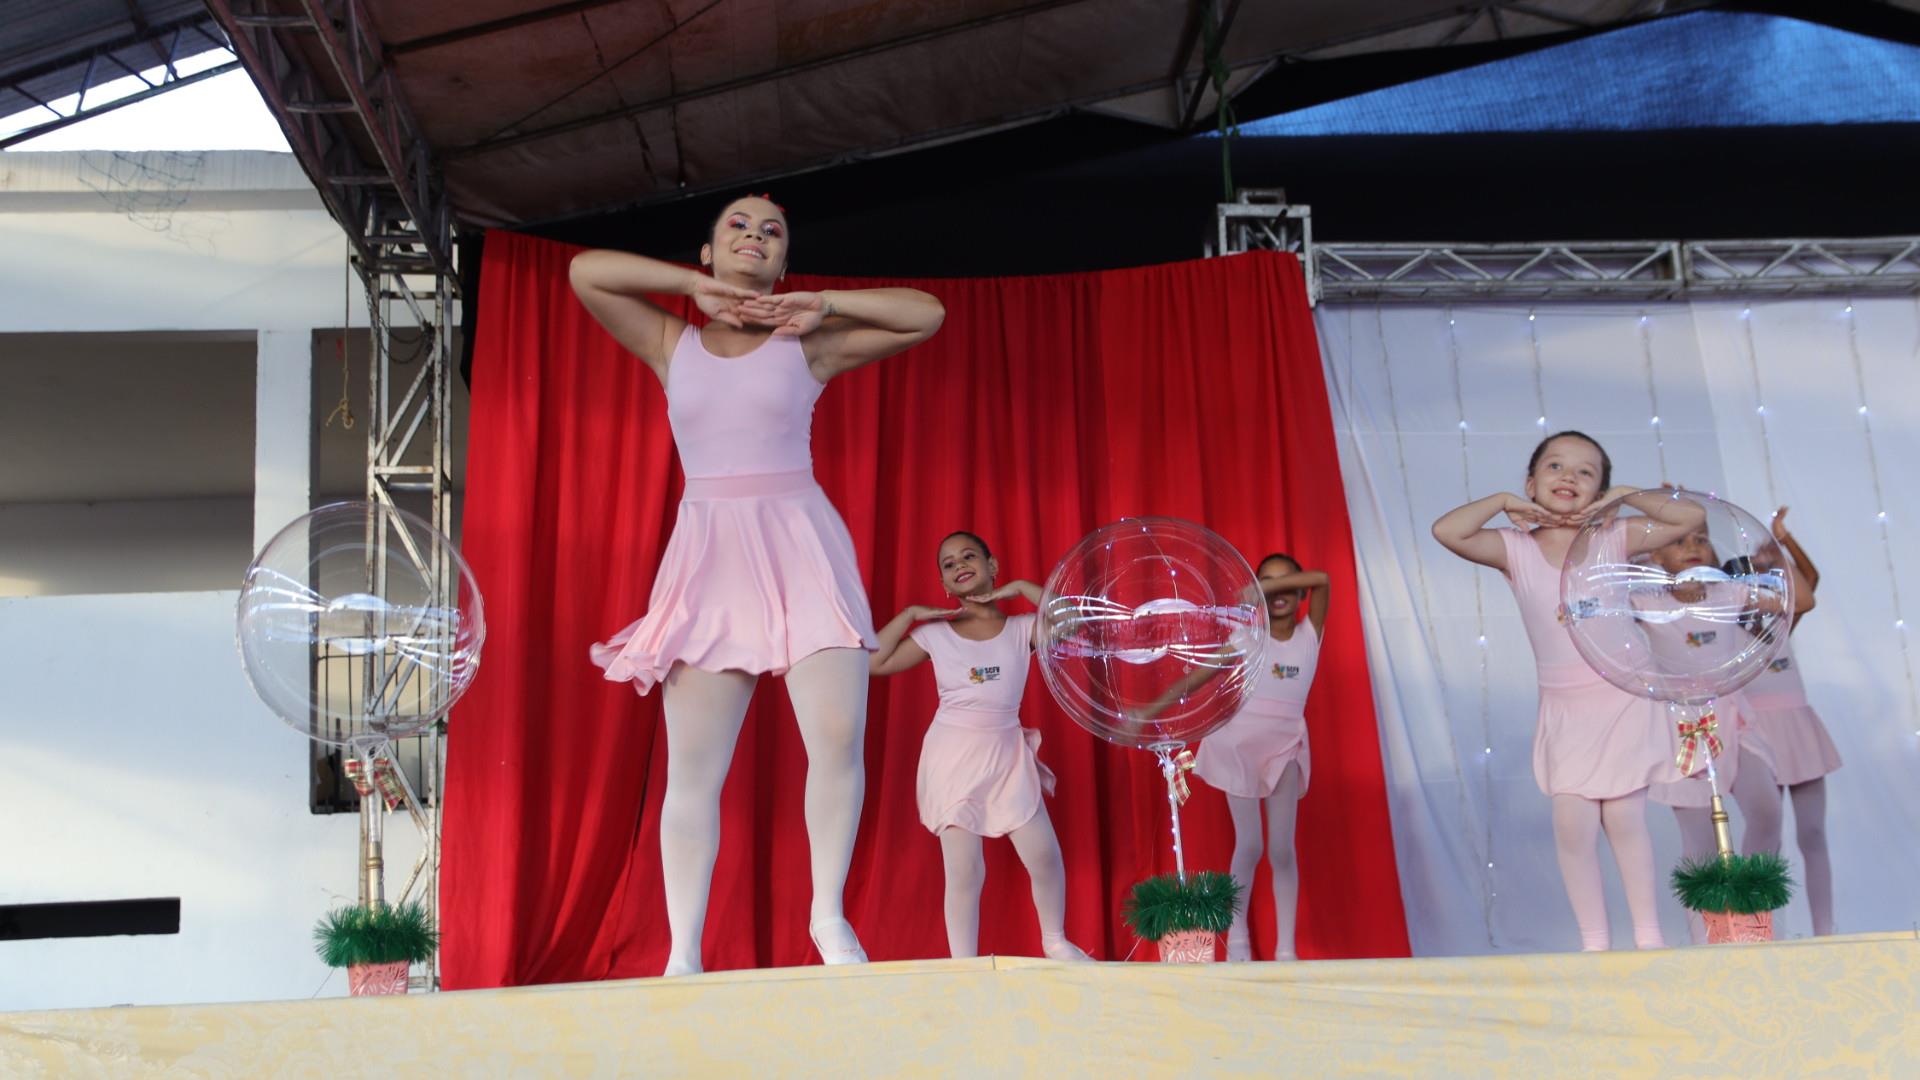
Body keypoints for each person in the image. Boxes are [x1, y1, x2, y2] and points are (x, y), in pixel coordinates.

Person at [571, 195, 946, 974]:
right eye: (736, 227)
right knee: (694, 768)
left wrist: (825, 303)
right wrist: (690, 288)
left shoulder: (805, 343)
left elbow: (927, 314)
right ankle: (683, 951)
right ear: (709, 253)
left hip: (801, 544)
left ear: (783, 262)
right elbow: (586, 273)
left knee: (837, 737)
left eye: (772, 231)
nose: (755, 235)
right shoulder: (672, 341)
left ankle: (827, 916)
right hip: (710, 559)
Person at [1432, 431, 1702, 951]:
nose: (1569, 477)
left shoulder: (1615, 537)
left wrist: (1626, 495)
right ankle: (1594, 944)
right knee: (1572, 823)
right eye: (1555, 466)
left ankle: (1648, 939)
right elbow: (1447, 530)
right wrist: (1502, 501)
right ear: (1532, 483)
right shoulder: (1514, 548)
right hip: (1565, 706)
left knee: (1624, 818)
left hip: (1623, 695)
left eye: (1586, 472)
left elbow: (1688, 518)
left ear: (1598, 489)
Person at [868, 531, 1091, 962]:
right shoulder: (935, 635)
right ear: (943, 584)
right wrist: (910, 614)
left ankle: (1055, 941)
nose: (959, 566)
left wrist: (1022, 588)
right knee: (966, 870)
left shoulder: (1024, 628)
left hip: (1006, 754)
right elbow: (873, 663)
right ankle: (964, 965)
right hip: (952, 759)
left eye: (969, 556)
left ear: (992, 566)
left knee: (1044, 855)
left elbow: (1075, 623)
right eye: (949, 564)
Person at [1190, 554, 1329, 962]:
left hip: (1285, 747)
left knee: (1282, 849)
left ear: (1301, 594)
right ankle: (1238, 942)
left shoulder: (1309, 635)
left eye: (1287, 584)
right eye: (1267, 583)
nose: (1276, 591)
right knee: (1249, 844)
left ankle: (1286, 949)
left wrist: (1261, 587)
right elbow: (1196, 677)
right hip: (1239, 746)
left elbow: (1323, 578)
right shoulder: (1246, 638)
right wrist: (1151, 710)